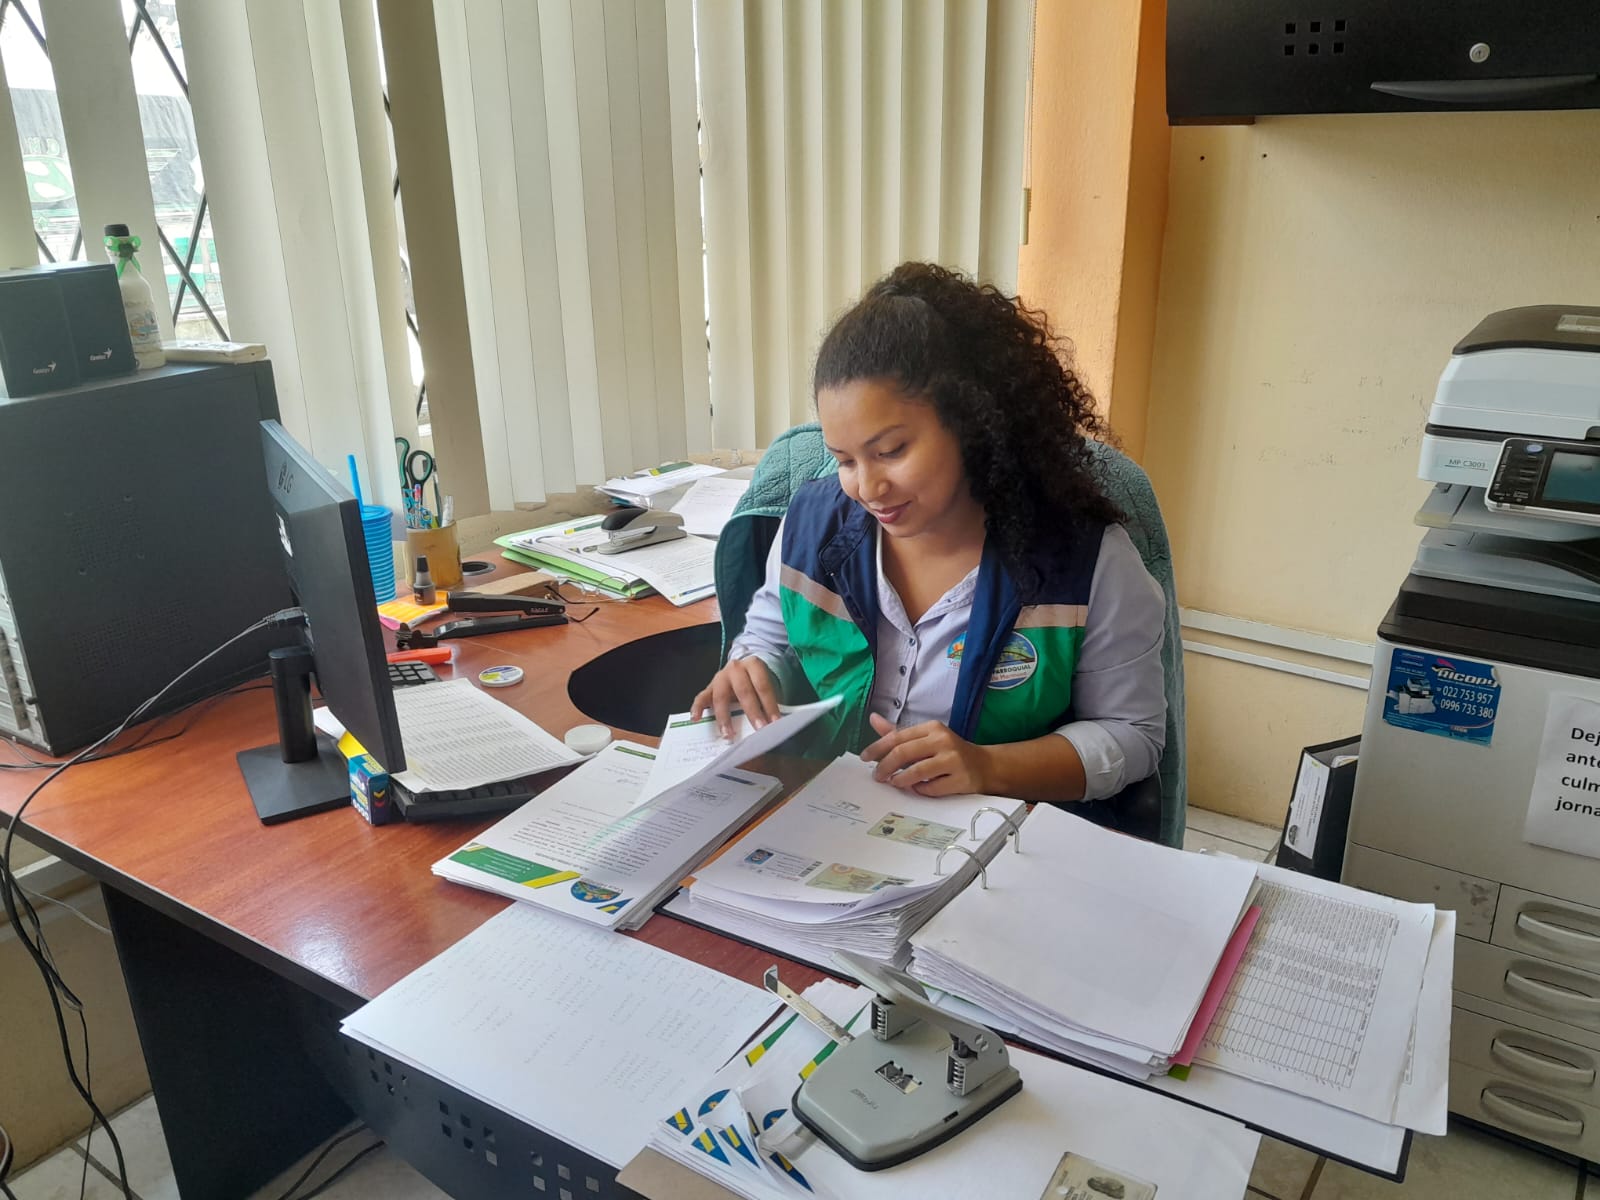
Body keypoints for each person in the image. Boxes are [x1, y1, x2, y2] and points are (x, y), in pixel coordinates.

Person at [689, 262, 1165, 809]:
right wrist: (752, 670)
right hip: (823, 817)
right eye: (844, 460)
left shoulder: (1086, 562)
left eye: (891, 451)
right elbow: (769, 637)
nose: (868, 487)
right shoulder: (811, 526)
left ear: (972, 422)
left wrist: (987, 766)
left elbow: (1131, 735)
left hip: (987, 836)